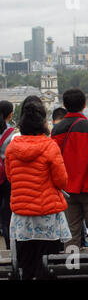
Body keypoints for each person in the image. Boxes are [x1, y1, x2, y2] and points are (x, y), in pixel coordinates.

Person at [6, 101, 71, 280]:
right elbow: (61, 181)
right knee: (48, 264)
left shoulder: (12, 148)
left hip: (22, 213)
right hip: (47, 213)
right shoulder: (50, 146)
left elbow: (11, 177)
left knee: (25, 263)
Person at [51, 88, 88, 253]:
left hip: (66, 189)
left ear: (64, 105)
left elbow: (53, 158)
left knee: (71, 233)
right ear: (84, 105)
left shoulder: (56, 130)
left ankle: (72, 268)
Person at [0, 101, 15, 249]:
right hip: (7, 177)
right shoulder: (13, 134)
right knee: (7, 217)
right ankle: (10, 248)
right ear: (10, 114)